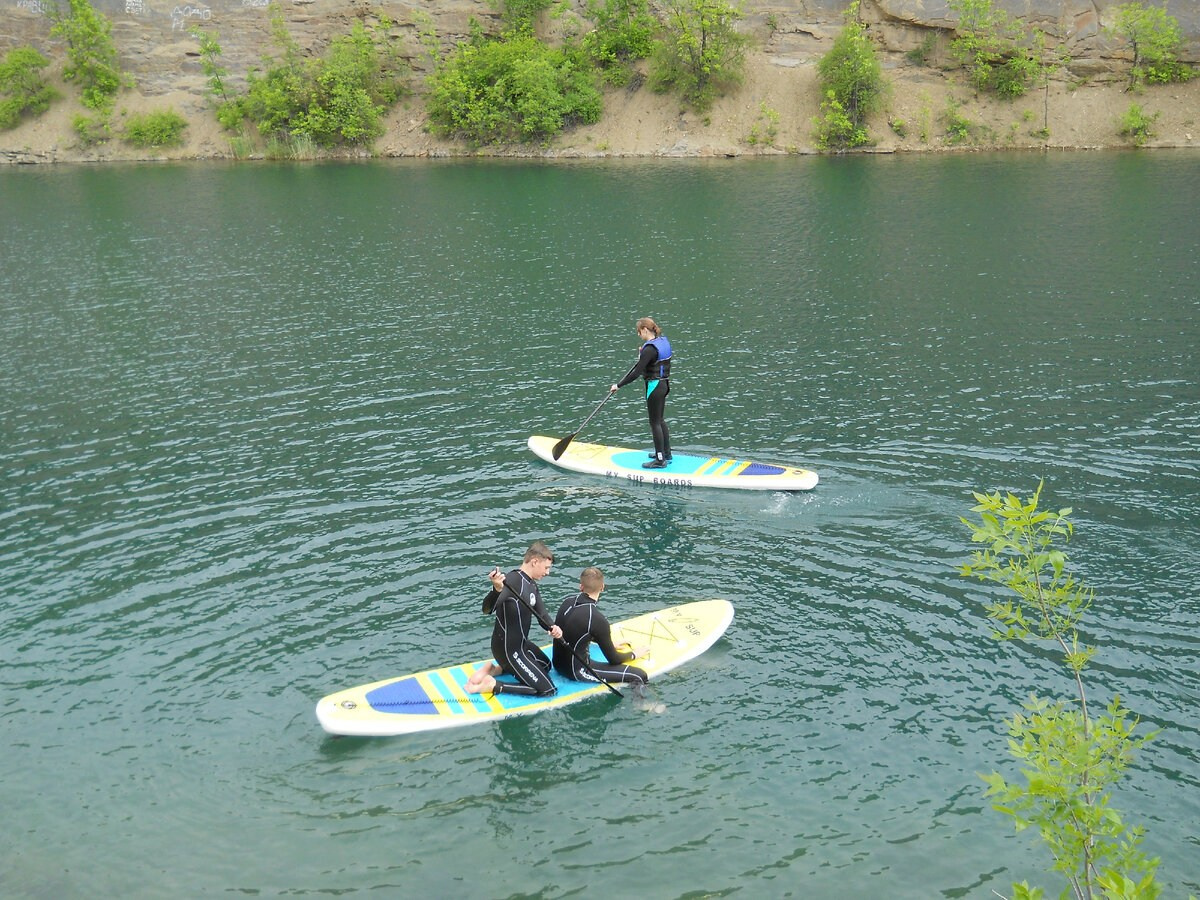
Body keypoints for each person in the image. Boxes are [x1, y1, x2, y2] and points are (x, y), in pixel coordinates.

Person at [465, 541, 563, 697]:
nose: (547, 573)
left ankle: (494, 670)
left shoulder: (531, 584)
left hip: (521, 645)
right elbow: (487, 609)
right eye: (546, 568)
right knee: (548, 690)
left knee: (545, 665)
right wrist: (497, 590)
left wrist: (553, 627)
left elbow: (542, 615)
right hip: (508, 650)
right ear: (534, 561)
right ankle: (494, 685)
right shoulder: (512, 581)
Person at [553, 567, 648, 688]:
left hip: (557, 664)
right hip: (577, 672)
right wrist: (633, 654)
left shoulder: (567, 602)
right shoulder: (597, 618)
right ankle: (644, 705)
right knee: (640, 676)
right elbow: (614, 659)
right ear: (602, 587)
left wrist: (608, 643)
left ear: (581, 586)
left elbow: (574, 628)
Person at [610, 316, 673, 469]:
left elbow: (637, 372)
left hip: (654, 387)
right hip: (664, 384)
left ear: (645, 330)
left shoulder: (649, 349)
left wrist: (618, 385)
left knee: (654, 422)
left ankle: (660, 460)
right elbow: (652, 362)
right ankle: (666, 453)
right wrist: (642, 356)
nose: (639, 335)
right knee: (660, 420)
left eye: (639, 332)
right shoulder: (662, 341)